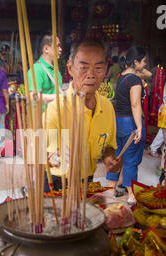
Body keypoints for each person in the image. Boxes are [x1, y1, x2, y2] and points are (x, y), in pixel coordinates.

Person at [45, 40, 121, 192]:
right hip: (58, 183)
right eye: (84, 67)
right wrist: (54, 157)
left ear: (106, 69)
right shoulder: (56, 108)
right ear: (70, 68)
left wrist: (109, 159)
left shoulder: (107, 107)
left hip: (88, 180)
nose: (91, 75)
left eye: (98, 68)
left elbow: (108, 146)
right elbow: (44, 154)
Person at [106, 46, 148, 206]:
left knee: (117, 155)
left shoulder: (122, 76)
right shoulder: (134, 80)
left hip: (118, 121)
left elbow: (147, 73)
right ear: (136, 61)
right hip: (130, 121)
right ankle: (131, 194)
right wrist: (139, 127)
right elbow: (135, 104)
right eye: (143, 61)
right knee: (131, 158)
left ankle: (111, 189)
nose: (145, 64)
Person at [28, 33, 62, 112]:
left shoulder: (55, 68)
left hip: (56, 118)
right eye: (57, 46)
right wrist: (59, 97)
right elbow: (34, 97)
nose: (60, 49)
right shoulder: (36, 69)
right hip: (42, 120)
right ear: (46, 48)